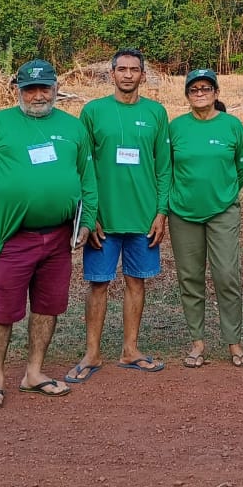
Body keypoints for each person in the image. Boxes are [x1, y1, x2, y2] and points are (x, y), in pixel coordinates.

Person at [0, 58, 96, 409]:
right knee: (3, 309)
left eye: (45, 88)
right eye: (30, 89)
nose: (38, 95)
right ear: (17, 90)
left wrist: (87, 221)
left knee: (47, 307)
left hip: (58, 239)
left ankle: (34, 373)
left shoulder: (73, 128)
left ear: (56, 88)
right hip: (13, 238)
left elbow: (88, 180)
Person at [66, 48, 171, 383]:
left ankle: (130, 350)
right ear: (111, 74)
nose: (128, 75)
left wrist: (161, 212)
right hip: (103, 220)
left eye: (134, 69)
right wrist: (88, 215)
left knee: (136, 282)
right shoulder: (93, 112)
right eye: (122, 69)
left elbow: (164, 168)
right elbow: (82, 166)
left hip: (143, 217)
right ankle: (92, 353)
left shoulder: (156, 113)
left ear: (143, 75)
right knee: (98, 284)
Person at [166, 69, 243, 369]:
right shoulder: (176, 128)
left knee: (226, 275)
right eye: (194, 89)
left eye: (206, 88)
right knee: (190, 277)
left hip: (222, 212)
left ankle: (234, 342)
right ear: (187, 95)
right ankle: (197, 342)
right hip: (183, 213)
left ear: (216, 93)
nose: (200, 93)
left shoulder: (232, 126)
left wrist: (224, 193)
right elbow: (166, 169)